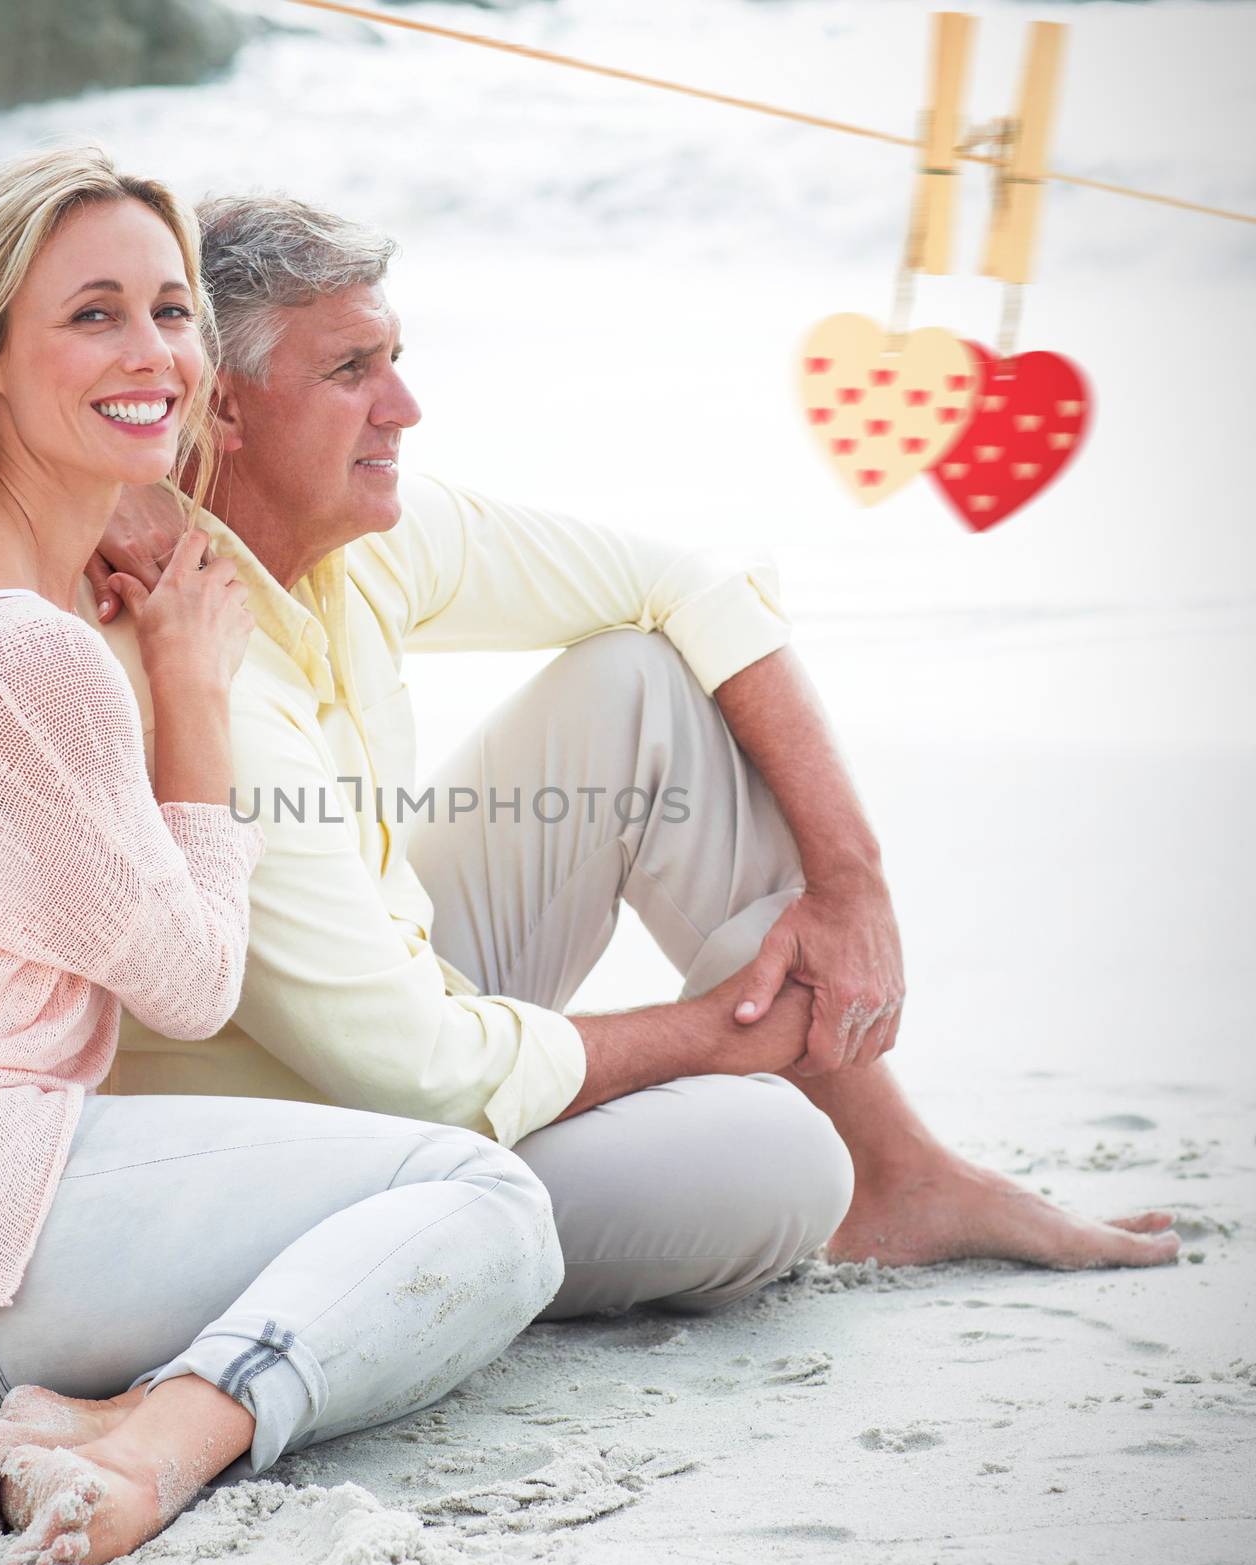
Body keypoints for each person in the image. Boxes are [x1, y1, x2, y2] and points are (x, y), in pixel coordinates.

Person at [83, 194, 1180, 1314]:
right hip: (323, 1152)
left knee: (640, 681)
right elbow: (419, 1074)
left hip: (402, 1017)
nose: (406, 407)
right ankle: (816, 1178)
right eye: (352, 370)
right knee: (782, 1164)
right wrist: (721, 1036)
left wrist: (854, 881)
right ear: (220, 408)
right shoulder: (189, 653)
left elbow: (688, 586)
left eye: (397, 356)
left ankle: (905, 1176)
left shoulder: (346, 542)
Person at [0, 151, 563, 1565]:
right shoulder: (19, 645)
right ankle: (159, 1444)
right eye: (93, 315)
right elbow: (190, 982)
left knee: (446, 1198)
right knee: (489, 1204)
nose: (155, 353)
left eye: (172, 311)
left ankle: (91, 1408)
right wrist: (194, 684)